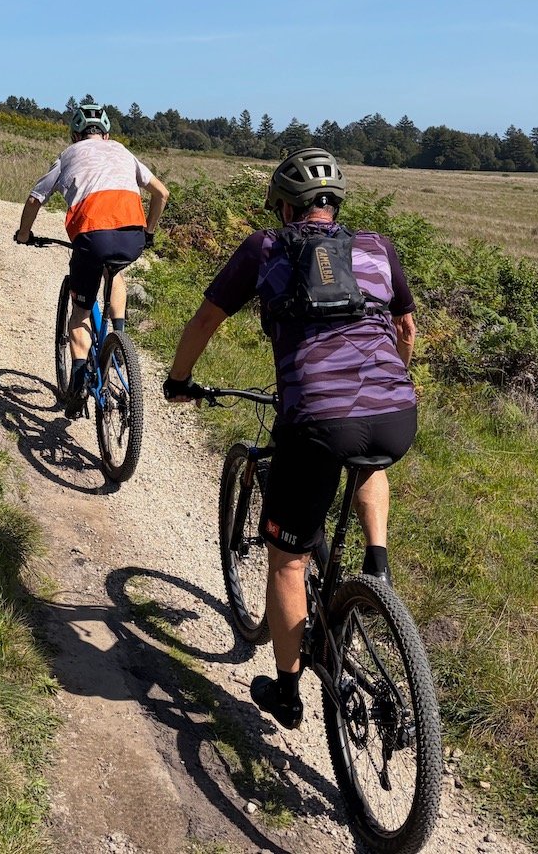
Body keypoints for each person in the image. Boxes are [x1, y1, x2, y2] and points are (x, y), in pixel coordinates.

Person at [162, 146, 418, 730]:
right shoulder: (376, 245)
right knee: (366, 456)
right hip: (396, 412)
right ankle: (376, 569)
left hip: (316, 421)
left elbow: (205, 320)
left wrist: (179, 380)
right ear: (335, 205)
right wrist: (395, 379)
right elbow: (405, 326)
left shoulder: (266, 246)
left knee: (287, 559)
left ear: (283, 206)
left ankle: (286, 691)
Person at [15, 101, 169, 417]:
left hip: (91, 237)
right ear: (107, 133)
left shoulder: (67, 156)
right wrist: (149, 233)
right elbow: (162, 193)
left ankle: (79, 381)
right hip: (132, 235)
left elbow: (35, 198)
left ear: (75, 135)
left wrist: (24, 233)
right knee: (115, 272)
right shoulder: (124, 152)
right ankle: (119, 337)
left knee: (80, 314)